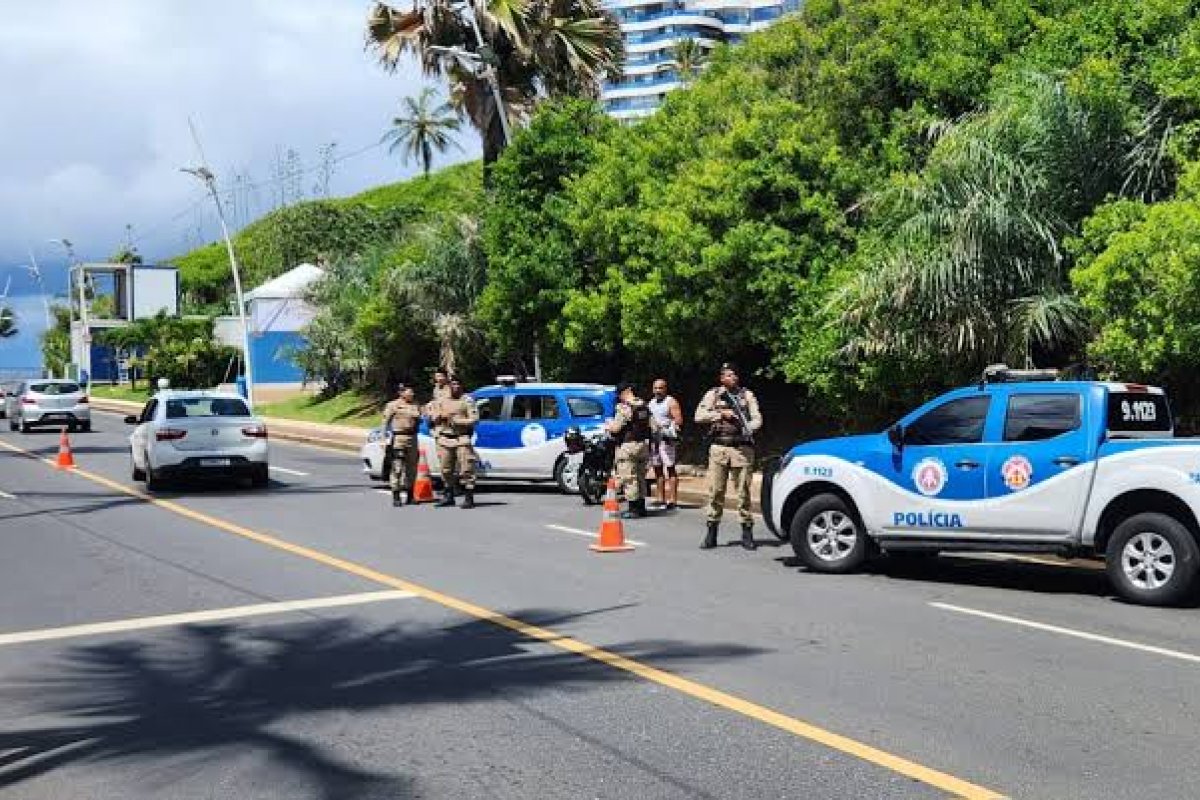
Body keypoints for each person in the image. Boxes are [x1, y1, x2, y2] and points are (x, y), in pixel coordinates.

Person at [695, 363, 763, 550]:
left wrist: (748, 426)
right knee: (716, 492)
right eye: (729, 375)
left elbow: (757, 418)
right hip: (719, 448)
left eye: (735, 374)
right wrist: (720, 414)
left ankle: (747, 532)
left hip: (741, 449)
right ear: (722, 378)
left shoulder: (746, 395)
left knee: (744, 493)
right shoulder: (713, 395)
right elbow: (699, 415)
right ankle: (711, 532)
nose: (733, 378)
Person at [606, 382, 657, 519]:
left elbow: (616, 428)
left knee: (629, 477)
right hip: (643, 445)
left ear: (624, 392)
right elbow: (655, 427)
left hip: (628, 446)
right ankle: (641, 507)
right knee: (641, 476)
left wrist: (609, 426)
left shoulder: (624, 407)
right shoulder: (644, 406)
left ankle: (633, 509)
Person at [426, 377, 479, 509]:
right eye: (452, 384)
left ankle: (468, 497)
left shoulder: (467, 400)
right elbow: (431, 417)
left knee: (466, 468)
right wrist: (437, 420)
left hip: (461, 438)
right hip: (445, 438)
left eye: (457, 384)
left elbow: (474, 419)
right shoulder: (441, 401)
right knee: (446, 469)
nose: (455, 386)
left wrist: (457, 420)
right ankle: (448, 495)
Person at [382, 384, 422, 507]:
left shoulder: (416, 405)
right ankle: (396, 495)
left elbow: (420, 420)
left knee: (412, 468)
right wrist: (384, 439)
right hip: (398, 438)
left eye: (412, 392)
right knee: (397, 467)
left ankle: (410, 495)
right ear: (401, 393)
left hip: (413, 438)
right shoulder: (393, 405)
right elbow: (385, 422)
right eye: (409, 392)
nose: (412, 394)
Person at [648, 378, 683, 510]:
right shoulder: (651, 403)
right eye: (656, 388)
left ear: (665, 389)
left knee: (670, 468)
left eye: (660, 388)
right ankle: (660, 497)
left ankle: (672, 500)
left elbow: (678, 420)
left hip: (666, 439)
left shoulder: (671, 402)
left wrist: (667, 429)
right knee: (657, 468)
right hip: (654, 439)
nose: (658, 391)